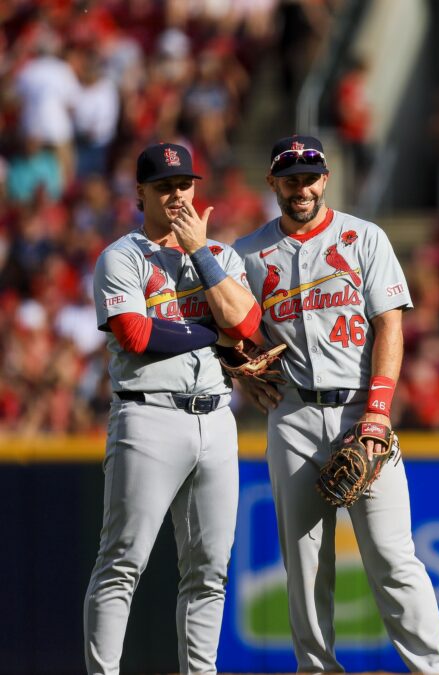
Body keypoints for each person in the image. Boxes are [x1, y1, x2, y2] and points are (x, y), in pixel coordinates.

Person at [232, 135, 439, 673]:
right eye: (290, 178)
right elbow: (228, 331)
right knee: (306, 566)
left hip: (361, 410)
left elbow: (390, 327)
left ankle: (434, 669)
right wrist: (235, 368)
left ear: (325, 178)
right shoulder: (246, 254)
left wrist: (378, 412)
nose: (301, 187)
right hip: (293, 413)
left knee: (392, 557)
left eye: (310, 177)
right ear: (273, 183)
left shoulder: (363, 238)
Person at [84, 142, 262, 674]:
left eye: (184, 184)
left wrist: (201, 255)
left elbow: (248, 328)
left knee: (210, 569)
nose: (177, 195)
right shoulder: (122, 256)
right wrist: (212, 332)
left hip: (215, 416)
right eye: (163, 186)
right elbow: (137, 335)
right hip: (147, 414)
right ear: (140, 193)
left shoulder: (222, 256)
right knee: (122, 563)